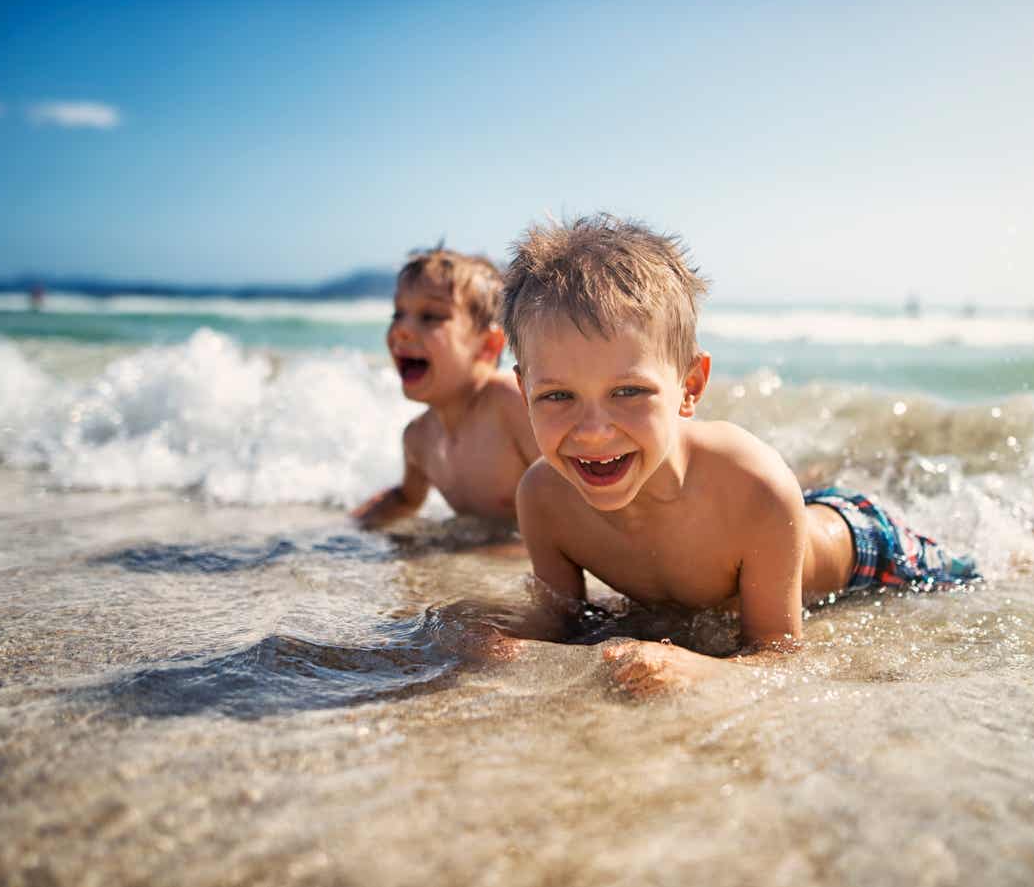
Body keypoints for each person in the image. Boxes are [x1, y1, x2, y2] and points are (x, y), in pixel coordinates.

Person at [501, 215, 977, 695]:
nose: (595, 432)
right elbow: (560, 622)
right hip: (773, 533)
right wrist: (497, 643)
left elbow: (780, 655)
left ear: (690, 386)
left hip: (870, 549)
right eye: (558, 397)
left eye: (628, 391)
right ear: (524, 392)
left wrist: (698, 668)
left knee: (976, 575)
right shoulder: (544, 499)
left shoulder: (752, 485)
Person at [351, 245, 539, 528]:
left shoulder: (509, 405)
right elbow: (406, 499)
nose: (401, 329)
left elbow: (569, 496)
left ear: (487, 346)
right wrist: (346, 529)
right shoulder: (418, 439)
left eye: (430, 317)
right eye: (397, 314)